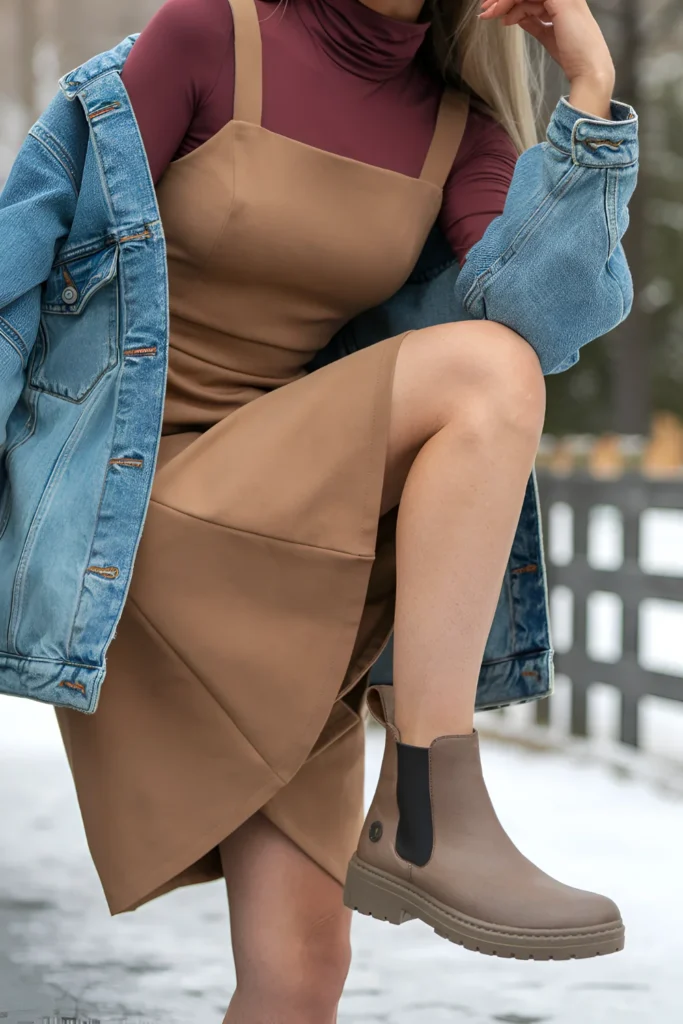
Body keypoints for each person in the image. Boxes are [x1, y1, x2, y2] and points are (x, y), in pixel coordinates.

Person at [0, 0, 638, 1020]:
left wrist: (589, 95)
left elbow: (540, 324)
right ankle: (428, 803)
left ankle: (420, 809)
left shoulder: (457, 128)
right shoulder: (206, 37)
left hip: (291, 539)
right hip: (137, 512)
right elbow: (18, 274)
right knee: (483, 372)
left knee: (299, 976)